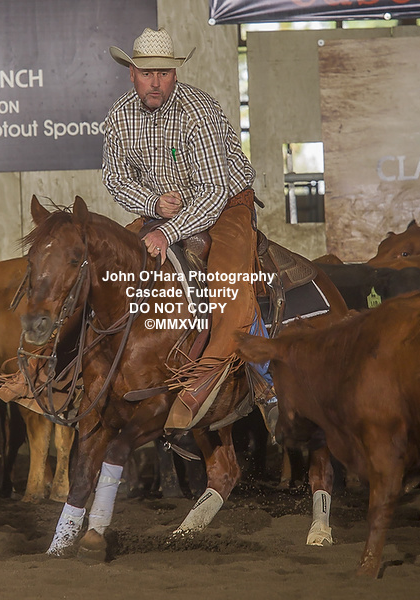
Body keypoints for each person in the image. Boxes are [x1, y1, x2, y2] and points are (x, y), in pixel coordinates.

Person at [102, 27, 278, 436]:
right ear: (132, 73)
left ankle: (258, 382)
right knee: (111, 263)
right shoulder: (119, 116)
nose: (155, 82)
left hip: (226, 205)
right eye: (147, 73)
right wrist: (153, 204)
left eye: (163, 73)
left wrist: (168, 232)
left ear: (175, 74)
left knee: (229, 283)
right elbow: (115, 178)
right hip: (163, 208)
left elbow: (214, 190)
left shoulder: (197, 112)